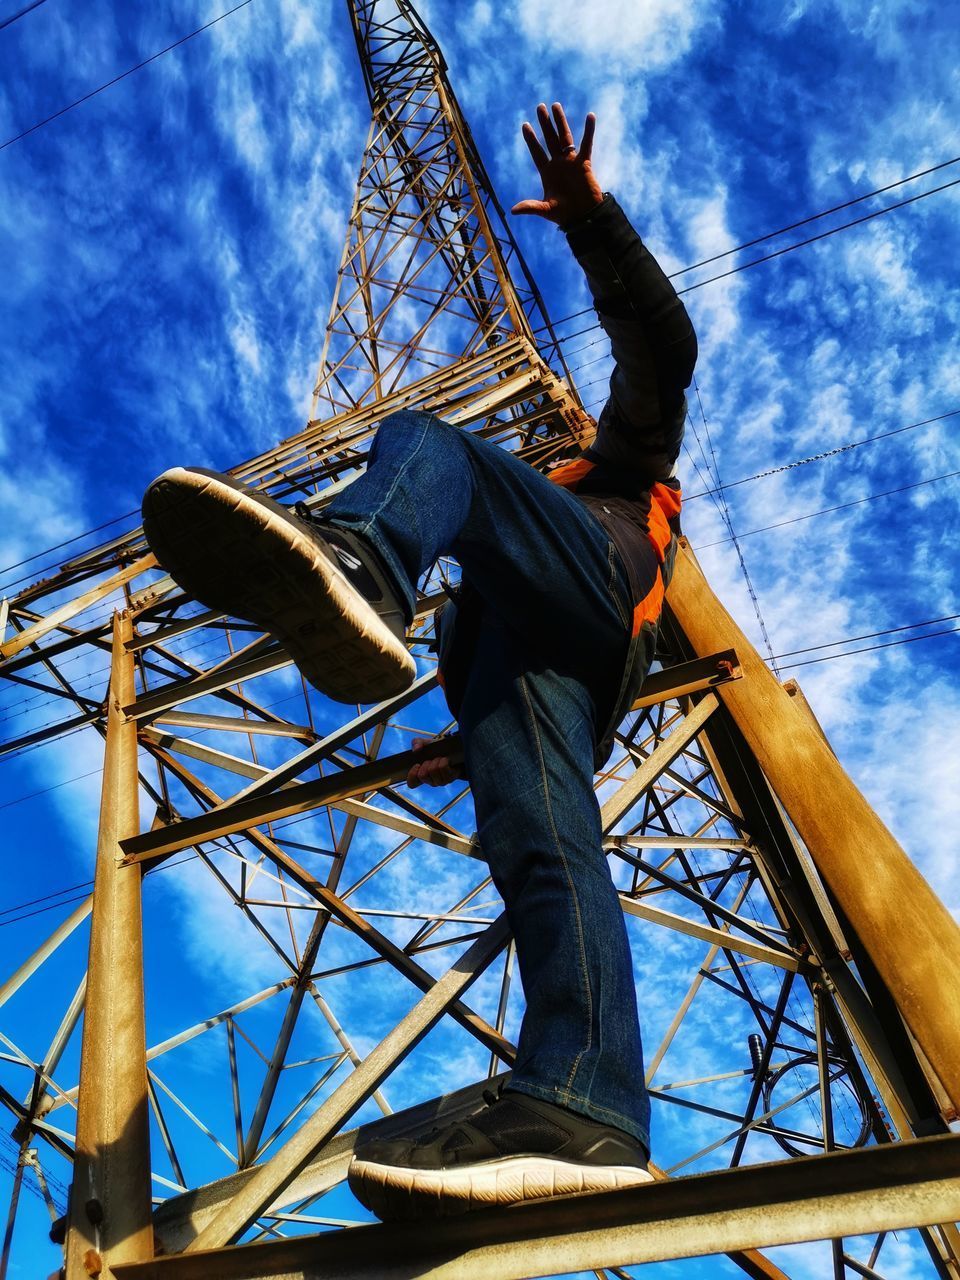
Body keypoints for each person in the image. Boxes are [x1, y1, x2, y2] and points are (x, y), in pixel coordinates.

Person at [141, 102, 697, 1222]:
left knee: (437, 446)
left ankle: (362, 553)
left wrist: (596, 223)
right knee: (542, 846)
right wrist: (460, 735)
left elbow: (665, 351)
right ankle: (587, 1099)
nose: (550, 456)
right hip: (536, 681)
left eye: (558, 451)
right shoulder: (507, 557)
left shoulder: (625, 471)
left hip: (588, 604)